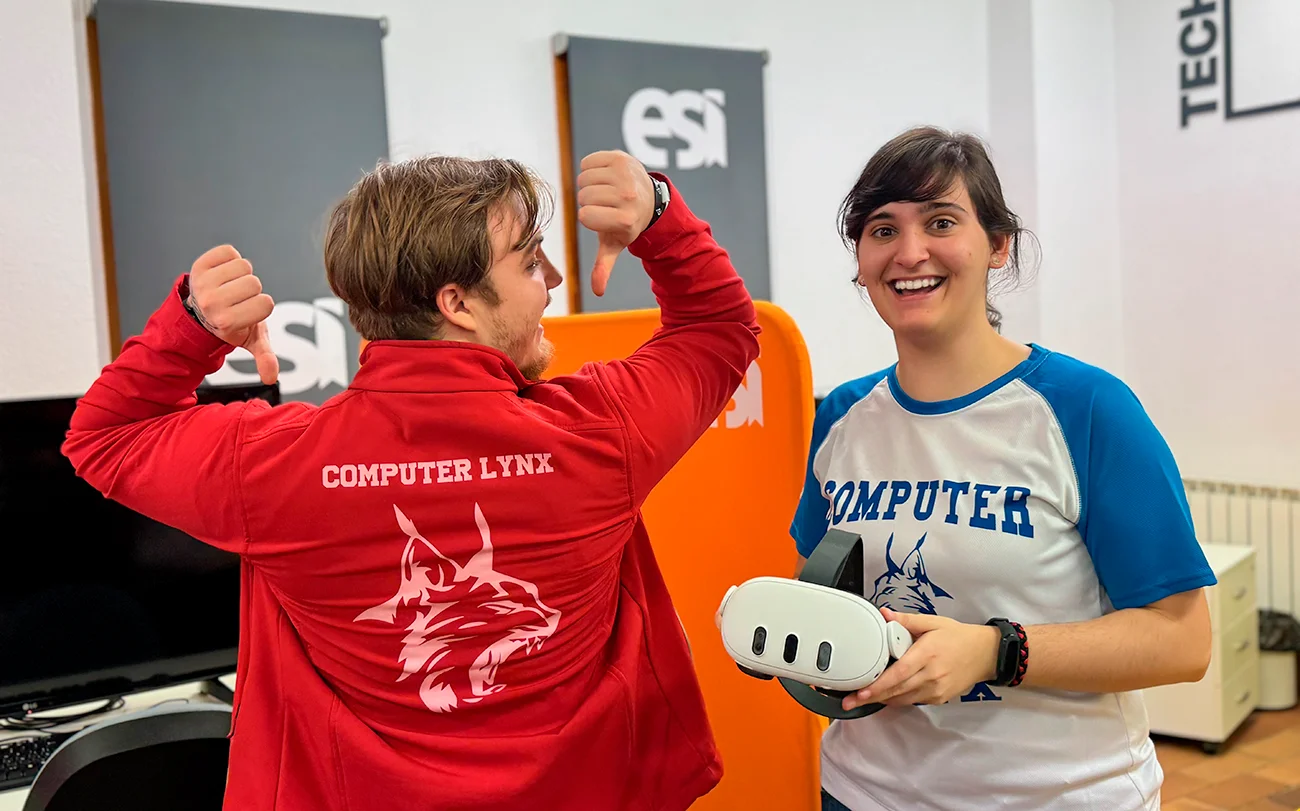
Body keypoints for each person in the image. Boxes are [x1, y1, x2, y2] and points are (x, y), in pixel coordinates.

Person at [63, 150, 760, 811]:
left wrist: (192, 327)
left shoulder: (275, 466)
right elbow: (721, 328)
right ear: (457, 303)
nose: (549, 281)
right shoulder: (601, 431)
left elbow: (102, 436)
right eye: (528, 263)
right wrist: (660, 218)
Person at [789, 126, 1215, 811]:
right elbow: (826, 597)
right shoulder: (841, 416)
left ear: (998, 244)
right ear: (861, 260)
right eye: (882, 229)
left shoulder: (1087, 408)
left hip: (1056, 796)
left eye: (941, 221)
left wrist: (997, 651)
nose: (910, 252)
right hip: (861, 791)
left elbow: (1184, 639)